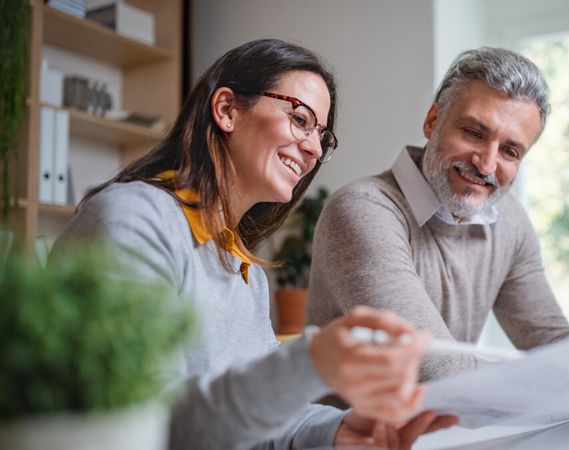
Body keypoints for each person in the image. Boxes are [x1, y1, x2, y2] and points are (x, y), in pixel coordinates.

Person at [54, 39, 456, 450]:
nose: (315, 149)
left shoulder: (241, 268)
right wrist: (308, 362)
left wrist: (336, 431)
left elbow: (262, 418)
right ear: (226, 110)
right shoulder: (133, 220)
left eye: (322, 135)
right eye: (300, 119)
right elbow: (145, 422)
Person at [306, 47, 569, 397]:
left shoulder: (507, 220)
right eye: (474, 132)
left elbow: (549, 341)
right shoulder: (364, 209)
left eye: (511, 151)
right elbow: (437, 372)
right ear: (433, 119)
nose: (487, 163)